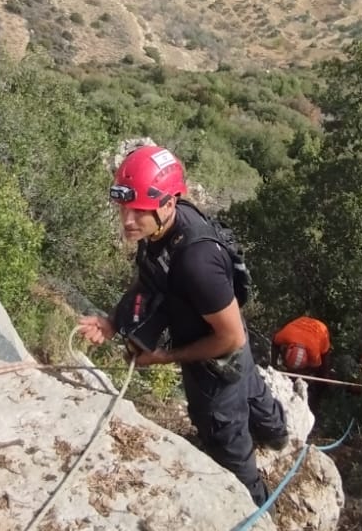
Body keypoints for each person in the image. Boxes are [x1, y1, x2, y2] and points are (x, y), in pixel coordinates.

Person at [78, 145, 287, 505]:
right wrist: (114, 322)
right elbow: (150, 279)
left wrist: (165, 357)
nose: (127, 220)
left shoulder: (196, 261)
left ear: (169, 203)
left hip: (214, 358)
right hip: (223, 338)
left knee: (227, 442)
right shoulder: (161, 230)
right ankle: (277, 435)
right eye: (124, 208)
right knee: (252, 389)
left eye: (139, 210)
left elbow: (230, 336)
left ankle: (256, 506)